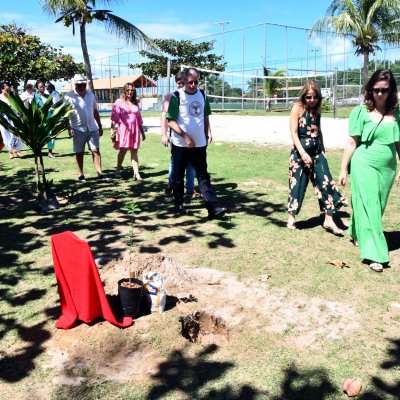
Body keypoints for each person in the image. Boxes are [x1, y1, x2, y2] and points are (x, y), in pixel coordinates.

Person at [338, 69, 400, 272]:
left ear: (391, 91)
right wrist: (342, 169)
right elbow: (351, 142)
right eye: (376, 90)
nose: (380, 94)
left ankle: (356, 229)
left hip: (388, 168)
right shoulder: (360, 112)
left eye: (385, 90)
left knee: (377, 205)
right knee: (371, 204)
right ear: (370, 90)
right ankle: (375, 254)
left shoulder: (397, 113)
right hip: (363, 163)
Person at [287, 80, 347, 232]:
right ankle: (291, 217)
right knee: (298, 185)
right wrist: (302, 153)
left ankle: (328, 219)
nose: (311, 100)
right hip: (300, 154)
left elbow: (318, 131)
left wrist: (323, 152)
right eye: (308, 97)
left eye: (314, 97)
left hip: (317, 153)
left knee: (326, 182)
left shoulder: (317, 110)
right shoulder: (297, 108)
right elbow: (293, 133)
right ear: (303, 96)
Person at [166, 67, 225, 218]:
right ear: (184, 81)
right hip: (180, 144)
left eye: (196, 82)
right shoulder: (176, 96)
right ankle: (179, 205)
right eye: (190, 82)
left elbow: (205, 116)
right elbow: (170, 121)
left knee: (203, 175)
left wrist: (209, 132)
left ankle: (212, 208)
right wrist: (185, 137)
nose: (193, 85)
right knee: (178, 176)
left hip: (199, 144)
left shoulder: (203, 95)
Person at [161, 71, 200, 198]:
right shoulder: (171, 96)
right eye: (179, 83)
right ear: (176, 83)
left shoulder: (193, 95)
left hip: (192, 137)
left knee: (191, 163)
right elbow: (165, 117)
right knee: (175, 163)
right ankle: (171, 185)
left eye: (184, 83)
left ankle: (189, 189)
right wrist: (164, 134)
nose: (182, 85)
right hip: (177, 137)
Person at [64, 74, 106, 181]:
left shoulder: (90, 94)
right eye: (79, 85)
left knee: (95, 150)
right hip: (77, 129)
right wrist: (69, 128)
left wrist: (100, 126)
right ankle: (81, 175)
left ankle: (99, 173)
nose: (82, 87)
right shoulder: (68, 96)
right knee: (79, 152)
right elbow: (65, 114)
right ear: (75, 85)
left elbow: (95, 110)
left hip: (92, 128)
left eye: (83, 85)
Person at [110, 82, 145, 179]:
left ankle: (136, 173)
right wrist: (112, 129)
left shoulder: (136, 103)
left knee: (134, 152)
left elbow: (139, 119)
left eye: (132, 90)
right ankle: (118, 169)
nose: (130, 92)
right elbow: (114, 117)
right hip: (124, 130)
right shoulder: (119, 102)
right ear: (124, 91)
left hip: (135, 131)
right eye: (128, 90)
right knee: (123, 151)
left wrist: (142, 132)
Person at [0, 82, 23, 159]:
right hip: (3, 118)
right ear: (2, 89)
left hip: (13, 117)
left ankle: (18, 150)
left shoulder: (11, 97)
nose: (8, 91)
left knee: (16, 134)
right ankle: (10, 152)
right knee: (5, 135)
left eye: (9, 90)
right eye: (6, 90)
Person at [34, 80, 56, 158]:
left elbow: (52, 105)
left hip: (50, 117)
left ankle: (50, 152)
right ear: (37, 88)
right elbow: (36, 107)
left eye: (43, 86)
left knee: (51, 134)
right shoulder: (36, 96)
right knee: (41, 136)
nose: (42, 88)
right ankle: (38, 151)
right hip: (41, 119)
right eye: (40, 87)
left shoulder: (48, 96)